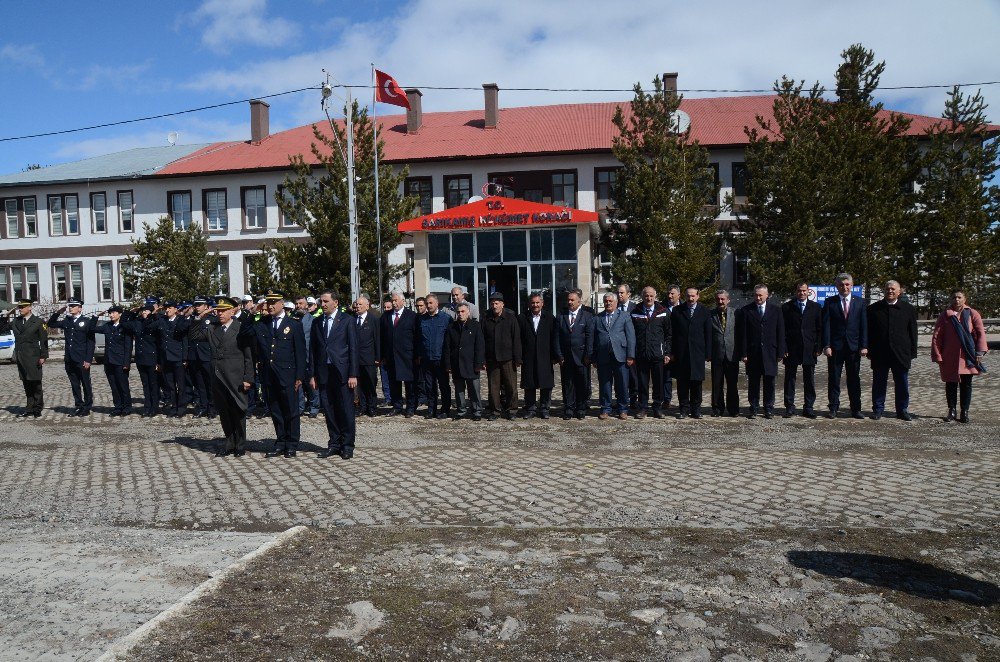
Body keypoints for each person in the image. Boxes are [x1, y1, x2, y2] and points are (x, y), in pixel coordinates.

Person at [241, 290, 307, 457]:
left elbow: (300, 353)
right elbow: (244, 333)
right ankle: (281, 441)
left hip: (288, 375)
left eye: (273, 303)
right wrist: (252, 312)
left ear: (281, 304)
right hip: (268, 375)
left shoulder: (293, 324)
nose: (270, 306)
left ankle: (292, 443)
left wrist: (299, 376)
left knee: (291, 410)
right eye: (267, 303)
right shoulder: (262, 323)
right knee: (276, 409)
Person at [189, 297, 254, 457]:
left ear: (233, 311)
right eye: (218, 310)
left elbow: (248, 356)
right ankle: (229, 442)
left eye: (224, 310)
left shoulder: (240, 328)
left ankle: (240, 444)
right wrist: (200, 316)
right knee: (224, 412)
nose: (220, 313)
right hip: (218, 377)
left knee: (238, 410)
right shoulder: (212, 328)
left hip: (235, 376)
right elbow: (194, 336)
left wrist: (248, 378)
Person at [310, 290, 359, 459]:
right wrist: (313, 375)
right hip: (324, 372)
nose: (322, 304)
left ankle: (347, 445)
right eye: (321, 302)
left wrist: (353, 374)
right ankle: (334, 443)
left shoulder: (347, 321)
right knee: (329, 409)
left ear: (335, 302)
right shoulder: (317, 322)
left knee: (345, 409)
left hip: (343, 372)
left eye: (325, 301)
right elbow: (313, 351)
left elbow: (353, 348)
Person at [931, 289, 988, 423]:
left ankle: (964, 411)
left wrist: (980, 352)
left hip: (967, 356)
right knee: (950, 383)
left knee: (966, 384)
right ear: (951, 299)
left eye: (959, 297)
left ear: (964, 299)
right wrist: (937, 355)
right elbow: (937, 336)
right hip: (949, 356)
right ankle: (952, 410)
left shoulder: (973, 313)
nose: (956, 300)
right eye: (954, 297)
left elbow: (980, 333)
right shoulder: (945, 315)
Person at [866, 280, 918, 421]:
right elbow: (869, 332)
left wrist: (913, 351)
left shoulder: (908, 309)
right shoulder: (873, 309)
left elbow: (913, 332)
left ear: (899, 291)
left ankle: (902, 410)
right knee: (879, 383)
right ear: (884, 290)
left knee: (902, 383)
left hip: (901, 353)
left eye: (893, 289)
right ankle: (878, 409)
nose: (890, 291)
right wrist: (869, 350)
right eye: (888, 289)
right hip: (880, 353)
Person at [822, 273, 868, 419]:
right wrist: (826, 345)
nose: (844, 287)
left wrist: (864, 345)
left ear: (852, 285)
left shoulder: (860, 302)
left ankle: (856, 409)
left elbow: (864, 326)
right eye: (841, 285)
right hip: (835, 347)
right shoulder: (830, 302)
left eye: (847, 284)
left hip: (854, 347)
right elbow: (826, 325)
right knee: (834, 378)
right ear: (837, 286)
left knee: (854, 379)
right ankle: (833, 408)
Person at [740, 284, 786, 419]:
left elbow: (781, 332)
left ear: (767, 295)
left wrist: (780, 352)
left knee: (769, 382)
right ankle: (753, 408)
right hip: (753, 353)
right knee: (753, 382)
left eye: (760, 295)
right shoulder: (746, 310)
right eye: (756, 295)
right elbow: (743, 335)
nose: (758, 297)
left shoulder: (776, 310)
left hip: (770, 352)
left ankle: (768, 408)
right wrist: (743, 353)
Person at [588, 292, 636, 419]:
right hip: (603, 356)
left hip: (621, 355)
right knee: (604, 383)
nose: (608, 303)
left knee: (622, 383)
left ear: (616, 302)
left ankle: (623, 409)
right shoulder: (597, 318)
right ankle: (605, 408)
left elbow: (631, 337)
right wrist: (593, 357)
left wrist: (630, 355)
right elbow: (593, 339)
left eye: (610, 301)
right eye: (606, 301)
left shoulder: (625, 316)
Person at [47, 298, 97, 417]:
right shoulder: (67, 321)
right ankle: (78, 406)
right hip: (69, 359)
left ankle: (87, 406)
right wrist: (58, 312)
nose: (71, 308)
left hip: (82, 359)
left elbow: (91, 342)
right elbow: (50, 324)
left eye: (74, 306)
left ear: (80, 308)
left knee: (85, 383)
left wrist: (88, 359)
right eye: (70, 306)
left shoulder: (86, 321)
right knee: (75, 384)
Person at [781, 282, 822, 418]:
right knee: (790, 379)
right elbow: (782, 330)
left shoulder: (816, 307)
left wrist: (818, 347)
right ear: (796, 291)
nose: (801, 293)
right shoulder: (787, 307)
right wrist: (784, 347)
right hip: (791, 348)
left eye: (804, 291)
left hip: (809, 348)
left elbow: (819, 329)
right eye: (799, 291)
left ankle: (808, 407)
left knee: (809, 379)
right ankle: (789, 406)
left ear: (808, 291)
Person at [670, 287, 712, 419]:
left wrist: (708, 353)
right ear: (684, 296)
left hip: (698, 352)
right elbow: (672, 334)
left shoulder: (704, 311)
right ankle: (683, 409)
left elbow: (708, 333)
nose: (691, 298)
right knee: (682, 383)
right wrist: (671, 352)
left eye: (693, 296)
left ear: (698, 296)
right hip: (681, 353)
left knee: (696, 383)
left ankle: (696, 410)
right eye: (688, 296)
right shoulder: (677, 311)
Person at [630, 286, 671, 418]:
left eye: (651, 296)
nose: (649, 298)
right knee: (642, 383)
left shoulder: (663, 311)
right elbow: (631, 335)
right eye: (646, 296)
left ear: (655, 296)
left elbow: (669, 334)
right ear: (642, 297)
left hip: (657, 354)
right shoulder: (635, 311)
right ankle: (643, 408)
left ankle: (657, 407)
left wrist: (667, 352)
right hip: (641, 354)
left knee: (658, 382)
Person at [380, 290, 421, 417]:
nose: (394, 302)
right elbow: (382, 337)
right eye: (392, 300)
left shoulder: (412, 316)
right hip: (391, 356)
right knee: (394, 383)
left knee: (409, 384)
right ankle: (397, 406)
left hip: (408, 356)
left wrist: (417, 355)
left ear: (403, 301)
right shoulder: (386, 316)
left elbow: (417, 337)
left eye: (396, 300)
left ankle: (410, 407)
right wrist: (382, 356)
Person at [482, 291, 521, 420]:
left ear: (502, 304)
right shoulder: (486, 318)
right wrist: (482, 359)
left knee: (511, 386)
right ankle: (495, 411)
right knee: (493, 387)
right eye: (492, 303)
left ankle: (512, 410)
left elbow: (516, 339)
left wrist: (518, 358)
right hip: (492, 358)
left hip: (508, 358)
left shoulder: (510, 318)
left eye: (497, 303)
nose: (494, 306)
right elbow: (482, 340)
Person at [555, 289, 593, 420]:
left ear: (579, 301)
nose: (570, 302)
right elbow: (557, 337)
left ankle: (581, 408)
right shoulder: (561, 316)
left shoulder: (587, 316)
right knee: (567, 383)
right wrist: (559, 355)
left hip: (582, 357)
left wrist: (588, 355)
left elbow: (589, 337)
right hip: (566, 357)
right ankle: (569, 408)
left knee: (582, 383)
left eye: (572, 300)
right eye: (568, 300)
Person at [518, 293, 558, 419]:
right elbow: (519, 339)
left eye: (537, 303)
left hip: (545, 356)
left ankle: (545, 408)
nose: (535, 305)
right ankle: (530, 408)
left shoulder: (550, 317)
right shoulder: (522, 317)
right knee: (530, 383)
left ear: (542, 303)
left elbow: (554, 338)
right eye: (533, 303)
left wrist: (555, 355)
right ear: (529, 304)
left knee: (546, 384)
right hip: (528, 356)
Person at [444, 302, 486, 420]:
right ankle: (461, 411)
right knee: (459, 390)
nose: (460, 314)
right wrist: (448, 364)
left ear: (468, 312)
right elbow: (447, 347)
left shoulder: (475, 326)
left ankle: (477, 411)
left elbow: (480, 346)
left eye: (463, 312)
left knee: (474, 390)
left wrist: (479, 363)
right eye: (458, 312)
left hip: (472, 364)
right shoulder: (451, 327)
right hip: (456, 363)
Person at [8, 299, 48, 418]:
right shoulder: (16, 321)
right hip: (21, 357)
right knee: (26, 383)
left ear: (30, 307)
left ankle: (37, 407)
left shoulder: (38, 322)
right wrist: (8, 314)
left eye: (23, 307)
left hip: (33, 356)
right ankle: (29, 408)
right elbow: (2, 326)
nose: (20, 309)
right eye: (19, 307)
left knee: (35, 383)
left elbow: (43, 340)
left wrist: (43, 356)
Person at [93, 305, 134, 416]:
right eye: (110, 313)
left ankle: (127, 407)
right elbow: (92, 328)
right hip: (109, 361)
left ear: (120, 314)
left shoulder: (124, 327)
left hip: (120, 361)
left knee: (123, 386)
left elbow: (128, 346)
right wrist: (95, 316)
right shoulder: (107, 326)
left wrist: (126, 363)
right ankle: (118, 406)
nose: (111, 315)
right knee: (114, 386)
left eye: (114, 313)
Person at [418, 293, 453, 419]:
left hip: (441, 359)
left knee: (444, 386)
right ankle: (431, 409)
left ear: (437, 303)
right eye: (427, 303)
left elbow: (450, 340)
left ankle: (445, 409)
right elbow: (419, 339)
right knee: (429, 386)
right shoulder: (422, 319)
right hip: (427, 359)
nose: (429, 305)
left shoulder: (446, 318)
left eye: (431, 303)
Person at [155, 301, 190, 417]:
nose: (167, 310)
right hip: (166, 357)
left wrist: (185, 358)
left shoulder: (180, 321)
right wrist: (159, 360)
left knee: (180, 384)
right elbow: (160, 341)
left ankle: (181, 407)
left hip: (178, 357)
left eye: (170, 308)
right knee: (170, 385)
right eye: (166, 308)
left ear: (176, 309)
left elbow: (185, 340)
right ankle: (173, 406)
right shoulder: (163, 321)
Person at [125, 303, 161, 417]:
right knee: (145, 385)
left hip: (152, 358)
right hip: (141, 358)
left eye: (147, 311)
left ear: (151, 312)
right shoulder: (137, 322)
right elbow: (123, 324)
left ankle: (154, 408)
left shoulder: (155, 322)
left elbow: (159, 344)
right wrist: (132, 312)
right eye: (143, 311)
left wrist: (159, 362)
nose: (144, 312)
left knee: (153, 385)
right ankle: (147, 407)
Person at [710, 290, 740, 417]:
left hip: (732, 354)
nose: (720, 302)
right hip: (717, 354)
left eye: (723, 299)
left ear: (728, 300)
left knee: (732, 383)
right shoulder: (710, 314)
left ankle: (733, 409)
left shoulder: (736, 314)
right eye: (718, 299)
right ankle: (717, 409)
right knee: (717, 384)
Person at [185, 296, 215, 418]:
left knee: (210, 383)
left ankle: (212, 408)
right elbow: (190, 334)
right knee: (199, 383)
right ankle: (203, 407)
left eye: (200, 305)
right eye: (196, 305)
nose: (197, 307)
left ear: (206, 306)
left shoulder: (212, 319)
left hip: (207, 355)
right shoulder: (193, 319)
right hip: (194, 355)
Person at [352, 294, 381, 417]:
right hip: (356, 359)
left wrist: (378, 357)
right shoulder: (352, 320)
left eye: (360, 305)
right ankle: (362, 407)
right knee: (359, 386)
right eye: (356, 305)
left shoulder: (373, 319)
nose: (357, 307)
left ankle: (372, 407)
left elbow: (377, 339)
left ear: (367, 306)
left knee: (370, 384)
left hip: (369, 358)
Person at [295, 295, 320, 418]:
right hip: (297, 358)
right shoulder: (292, 320)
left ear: (306, 305)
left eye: (301, 303)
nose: (298, 306)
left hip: (310, 357)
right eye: (297, 303)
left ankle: (314, 407)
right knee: (298, 384)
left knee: (312, 384)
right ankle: (300, 407)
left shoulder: (313, 320)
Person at [662, 284, 682, 410]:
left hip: (681, 347)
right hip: (666, 347)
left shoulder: (685, 307)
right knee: (666, 376)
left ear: (679, 295)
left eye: (672, 293)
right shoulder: (661, 308)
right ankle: (666, 400)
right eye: (668, 293)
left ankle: (683, 401)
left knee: (682, 376)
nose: (670, 296)